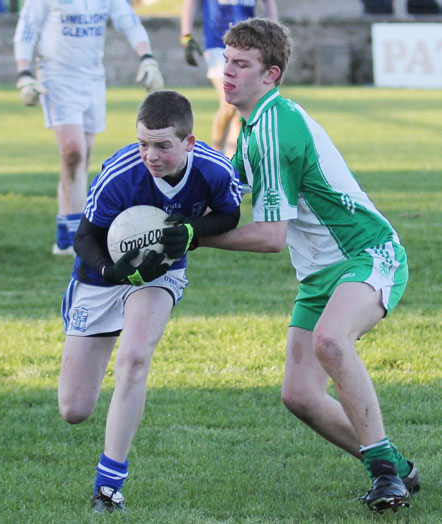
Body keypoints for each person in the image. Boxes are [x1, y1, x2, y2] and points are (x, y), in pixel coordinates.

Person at [198, 18, 420, 514]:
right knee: (299, 395)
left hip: (367, 253)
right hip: (320, 273)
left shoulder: (277, 127)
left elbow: (271, 237)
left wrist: (193, 238)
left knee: (329, 340)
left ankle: (384, 475)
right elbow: (222, 200)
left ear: (271, 74)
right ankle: (399, 467)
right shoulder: (252, 128)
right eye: (227, 62)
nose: (227, 73)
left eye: (241, 64)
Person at [57, 90, 242, 513]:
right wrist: (109, 272)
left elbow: (227, 214)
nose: (151, 155)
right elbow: (84, 237)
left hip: (160, 274)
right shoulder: (120, 174)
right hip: (99, 276)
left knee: (135, 357)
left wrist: (192, 231)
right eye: (143, 143)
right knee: (74, 409)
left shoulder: (214, 169)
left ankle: (108, 488)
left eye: (162, 145)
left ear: (189, 142)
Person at [14, 0, 164, 256]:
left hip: (93, 78)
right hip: (56, 77)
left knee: (81, 156)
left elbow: (129, 21)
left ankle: (66, 233)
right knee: (73, 151)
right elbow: (27, 30)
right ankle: (76, 234)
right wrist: (24, 74)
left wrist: (147, 58)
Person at [180, 0, 278, 158]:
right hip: (218, 45)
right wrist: (186, 35)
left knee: (241, 108)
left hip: (248, 47)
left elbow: (268, 3)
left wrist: (273, 33)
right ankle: (215, 152)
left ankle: (230, 162)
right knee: (229, 103)